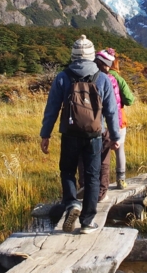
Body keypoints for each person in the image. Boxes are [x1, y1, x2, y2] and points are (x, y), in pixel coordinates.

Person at [40, 35, 120, 234]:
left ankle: (72, 203)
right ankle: (87, 222)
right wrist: (115, 137)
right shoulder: (102, 78)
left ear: (73, 54)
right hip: (94, 135)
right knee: (92, 176)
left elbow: (52, 109)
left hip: (69, 133)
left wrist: (45, 134)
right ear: (92, 55)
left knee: (67, 170)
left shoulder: (63, 77)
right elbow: (111, 111)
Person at [96, 48, 135, 189]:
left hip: (97, 119)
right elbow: (129, 100)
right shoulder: (117, 78)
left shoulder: (93, 76)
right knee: (119, 149)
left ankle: (97, 183)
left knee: (99, 151)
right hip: (118, 117)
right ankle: (120, 180)